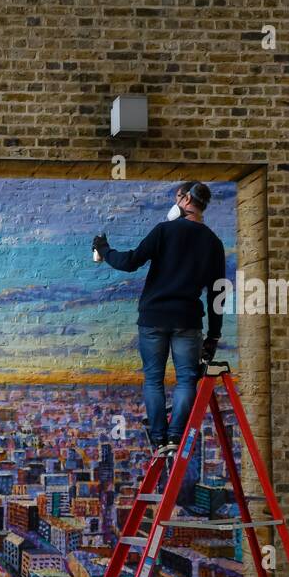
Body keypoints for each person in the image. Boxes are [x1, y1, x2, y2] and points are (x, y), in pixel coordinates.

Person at [92, 182, 228, 456]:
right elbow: (217, 292)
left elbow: (130, 262)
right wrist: (214, 334)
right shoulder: (213, 242)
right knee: (186, 381)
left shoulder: (164, 231)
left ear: (186, 198)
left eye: (177, 197)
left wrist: (104, 249)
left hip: (153, 318)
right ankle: (175, 437)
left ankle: (158, 439)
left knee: (153, 379)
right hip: (188, 320)